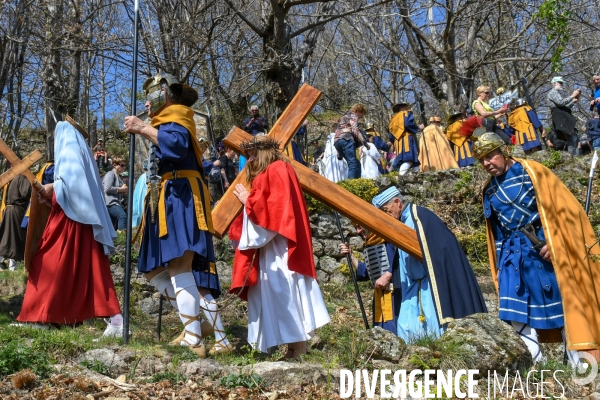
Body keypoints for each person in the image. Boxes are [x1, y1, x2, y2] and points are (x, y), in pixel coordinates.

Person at [124, 72, 230, 357]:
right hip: (169, 197)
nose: (146, 105)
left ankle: (195, 336)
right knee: (156, 271)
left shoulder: (177, 117)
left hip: (181, 196)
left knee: (180, 269)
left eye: (149, 97)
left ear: (163, 93)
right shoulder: (168, 119)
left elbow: (176, 146)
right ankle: (206, 330)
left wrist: (143, 128)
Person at [474, 132, 600, 366]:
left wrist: (556, 245)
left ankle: (579, 365)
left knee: (562, 306)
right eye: (481, 159)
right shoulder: (489, 190)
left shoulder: (533, 172)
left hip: (542, 245)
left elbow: (561, 211)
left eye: (490, 156)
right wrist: (500, 265)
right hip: (512, 254)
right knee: (514, 311)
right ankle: (536, 364)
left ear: (504, 152)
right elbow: (498, 232)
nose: (486, 163)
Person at [16, 121, 123, 335]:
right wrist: (53, 192)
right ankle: (58, 317)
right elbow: (73, 186)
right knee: (83, 271)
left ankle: (41, 315)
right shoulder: (79, 153)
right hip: (77, 218)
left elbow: (72, 187)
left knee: (45, 263)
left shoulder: (71, 151)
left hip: (71, 221)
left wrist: (51, 190)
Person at [230, 136, 330, 359]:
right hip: (272, 245)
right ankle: (293, 349)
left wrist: (248, 201)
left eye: (254, 154)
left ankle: (298, 349)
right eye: (248, 155)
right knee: (279, 292)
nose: (250, 160)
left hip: (280, 247)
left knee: (284, 290)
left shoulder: (277, 169)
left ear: (265, 151)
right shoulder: (273, 170)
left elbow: (275, 211)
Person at [370, 187, 487, 342]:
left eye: (386, 210)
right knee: (405, 328)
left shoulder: (422, 218)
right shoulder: (400, 224)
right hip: (411, 289)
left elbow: (443, 253)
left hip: (431, 287)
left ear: (397, 202)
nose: (386, 216)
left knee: (434, 330)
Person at [340, 225, 400, 335]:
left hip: (395, 295)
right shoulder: (370, 245)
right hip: (379, 297)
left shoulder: (391, 241)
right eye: (356, 227)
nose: (358, 231)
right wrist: (351, 255)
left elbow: (399, 264)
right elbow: (367, 273)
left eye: (360, 226)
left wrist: (388, 275)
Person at [0, 173, 32, 271]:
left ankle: (2, 261)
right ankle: (13, 265)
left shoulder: (10, 180)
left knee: (6, 237)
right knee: (16, 237)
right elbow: (25, 192)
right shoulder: (21, 177)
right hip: (16, 211)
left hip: (8, 210)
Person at [547, 76, 580, 155]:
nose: (561, 85)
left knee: (573, 137)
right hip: (560, 118)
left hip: (562, 117)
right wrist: (572, 96)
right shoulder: (553, 92)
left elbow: (564, 106)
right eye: (560, 83)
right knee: (571, 137)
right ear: (554, 83)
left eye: (562, 83)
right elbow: (561, 102)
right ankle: (572, 157)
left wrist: (573, 101)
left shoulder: (556, 93)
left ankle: (574, 156)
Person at [334, 104, 368, 179]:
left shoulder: (343, 117)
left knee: (357, 164)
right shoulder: (353, 116)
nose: (361, 117)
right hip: (347, 140)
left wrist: (339, 153)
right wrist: (365, 143)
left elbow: (338, 131)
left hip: (337, 142)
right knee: (352, 164)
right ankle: (352, 186)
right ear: (358, 111)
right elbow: (355, 129)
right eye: (362, 114)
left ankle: (358, 181)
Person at [389, 103, 423, 175]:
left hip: (398, 143)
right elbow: (407, 123)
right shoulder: (406, 113)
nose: (408, 108)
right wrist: (418, 128)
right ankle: (400, 178)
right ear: (404, 107)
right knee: (409, 159)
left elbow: (391, 135)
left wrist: (393, 141)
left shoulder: (393, 118)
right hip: (407, 139)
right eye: (406, 106)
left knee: (413, 161)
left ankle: (417, 177)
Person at [102, 156, 128, 231]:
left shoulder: (120, 177)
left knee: (112, 226)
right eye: (122, 165)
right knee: (122, 216)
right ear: (114, 165)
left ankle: (114, 240)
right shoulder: (110, 174)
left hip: (115, 203)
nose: (124, 167)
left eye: (124, 165)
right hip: (109, 203)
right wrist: (121, 189)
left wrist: (124, 192)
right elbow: (107, 188)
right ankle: (123, 238)